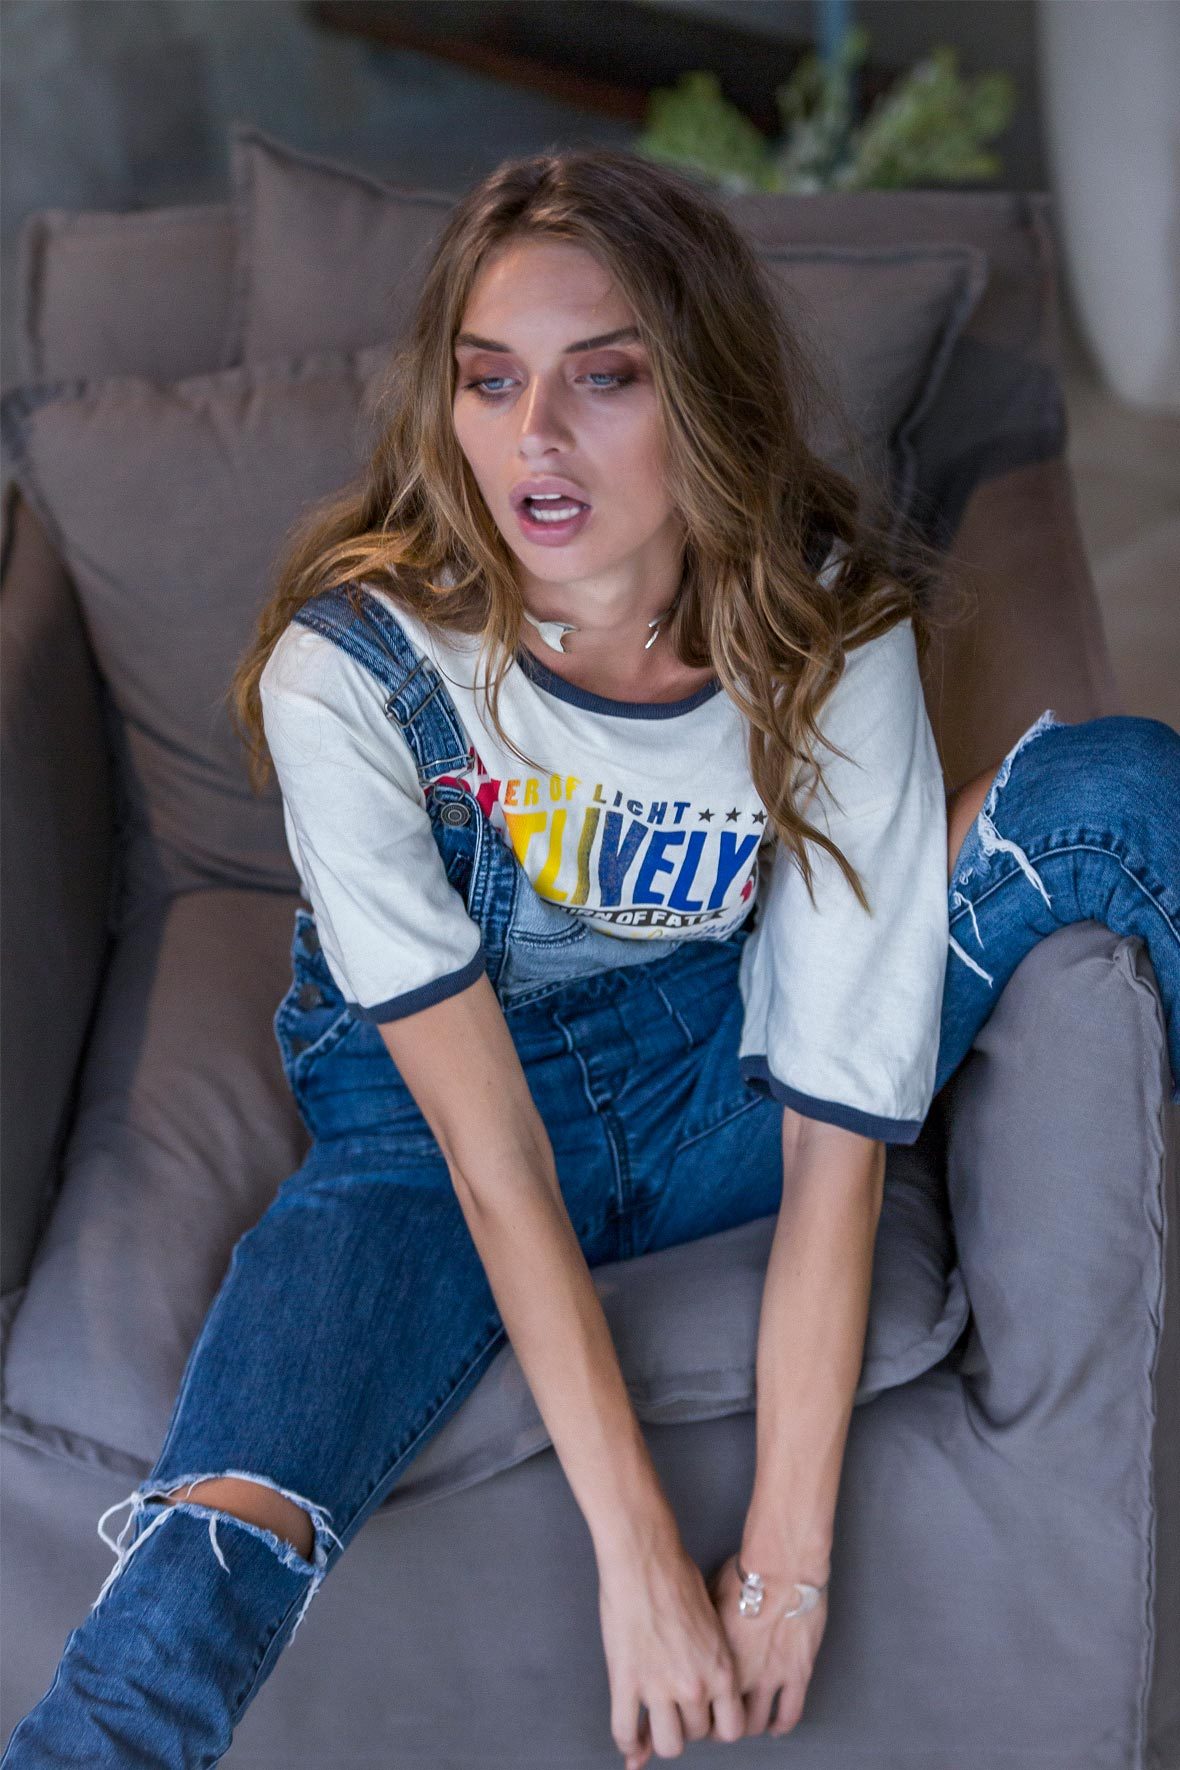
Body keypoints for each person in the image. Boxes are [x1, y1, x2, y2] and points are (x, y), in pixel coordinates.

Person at [5, 145, 1178, 1770]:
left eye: (602, 378)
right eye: (490, 380)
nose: (533, 438)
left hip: (723, 1073)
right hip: (428, 1149)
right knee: (187, 1592)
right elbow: (492, 1162)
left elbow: (833, 1140)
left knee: (1121, 789)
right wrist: (641, 1561)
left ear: (699, 392)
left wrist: (782, 1565)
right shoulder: (353, 672)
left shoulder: (821, 631)